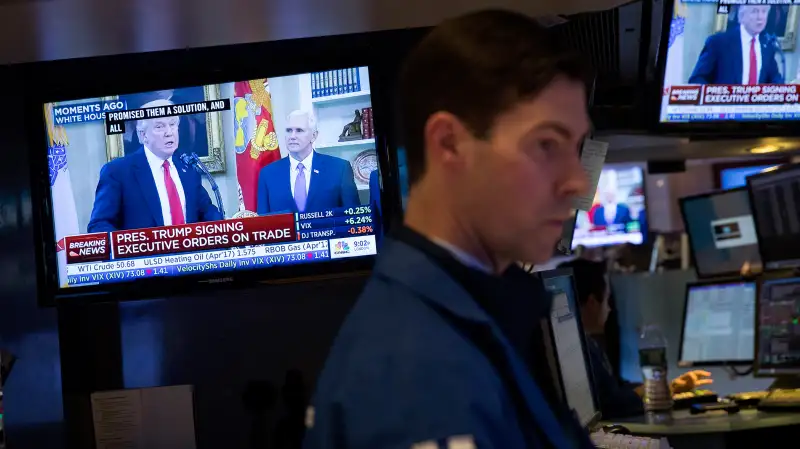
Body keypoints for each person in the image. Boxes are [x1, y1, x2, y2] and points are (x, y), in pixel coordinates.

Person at [305, 10, 596, 449]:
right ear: (449, 144)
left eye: (576, 149)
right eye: (547, 145)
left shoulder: (468, 314)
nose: (577, 182)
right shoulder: (417, 370)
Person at [557, 259, 713, 419]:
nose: (609, 308)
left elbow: (615, 389)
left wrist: (668, 387)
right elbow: (611, 404)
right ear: (592, 303)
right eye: (607, 300)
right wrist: (661, 390)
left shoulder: (585, 344)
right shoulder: (578, 351)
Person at [87, 99, 222, 232]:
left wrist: (231, 227)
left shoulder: (188, 170)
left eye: (173, 124)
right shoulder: (118, 172)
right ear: (143, 135)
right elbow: (99, 226)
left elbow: (208, 214)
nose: (169, 132)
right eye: (159, 126)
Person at [256, 110, 360, 214]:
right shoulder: (268, 174)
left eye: (299, 130)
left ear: (314, 136)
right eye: (288, 130)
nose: (292, 136)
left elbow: (353, 218)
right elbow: (263, 223)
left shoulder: (339, 169)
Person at [689, 5, 783, 85]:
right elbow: (697, 80)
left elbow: (774, 79)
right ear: (742, 15)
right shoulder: (718, 42)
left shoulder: (768, 45)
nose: (760, 17)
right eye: (754, 11)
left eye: (764, 11)